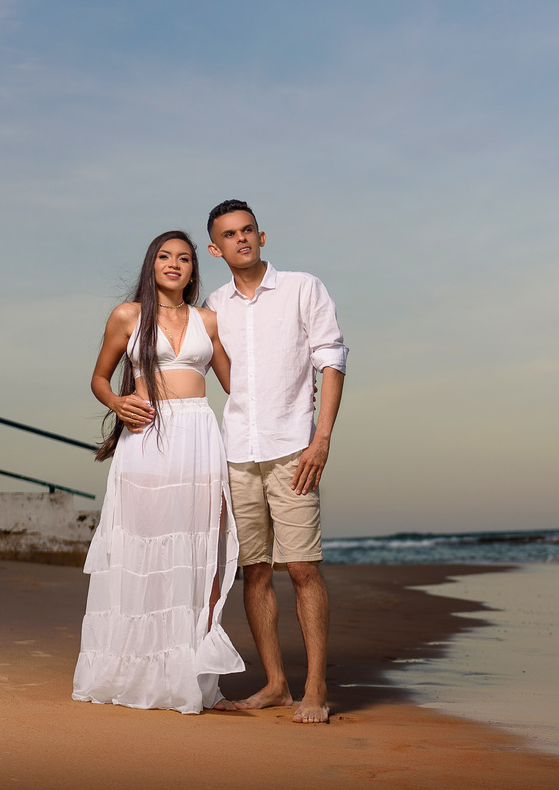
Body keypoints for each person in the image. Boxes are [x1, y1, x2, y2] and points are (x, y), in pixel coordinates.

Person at [72, 230, 244, 714]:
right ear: (152, 265)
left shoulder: (209, 320)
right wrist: (117, 402)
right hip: (146, 438)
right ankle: (131, 669)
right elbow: (99, 378)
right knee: (143, 546)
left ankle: (190, 675)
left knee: (196, 549)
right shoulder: (127, 316)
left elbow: (236, 386)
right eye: (165, 257)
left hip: (198, 437)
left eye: (184, 259)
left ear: (193, 270)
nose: (174, 264)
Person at [204, 199, 347, 724]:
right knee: (256, 571)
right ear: (215, 249)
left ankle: (315, 688)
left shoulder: (303, 288)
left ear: (262, 237)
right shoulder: (213, 306)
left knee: (304, 568)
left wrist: (322, 438)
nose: (241, 239)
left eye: (248, 231)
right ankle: (276, 684)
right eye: (229, 235)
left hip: (293, 447)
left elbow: (331, 360)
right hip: (238, 450)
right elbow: (209, 371)